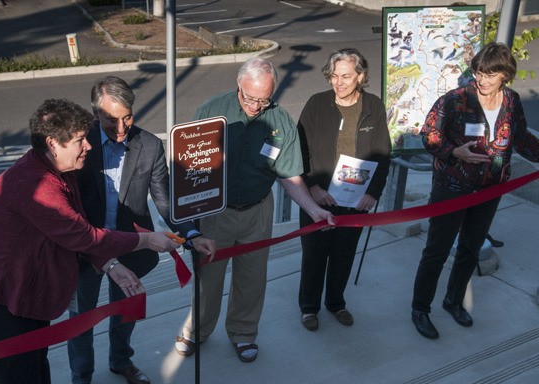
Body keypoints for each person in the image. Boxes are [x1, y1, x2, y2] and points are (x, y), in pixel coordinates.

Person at [0, 99, 180, 384]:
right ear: (53, 143)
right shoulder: (35, 186)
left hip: (23, 291)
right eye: (81, 140)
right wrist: (146, 240)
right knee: (17, 376)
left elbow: (78, 228)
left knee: (36, 367)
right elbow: (84, 236)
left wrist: (110, 266)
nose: (89, 146)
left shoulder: (59, 171)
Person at [174, 57, 335, 362]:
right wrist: (190, 220)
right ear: (239, 84)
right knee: (208, 277)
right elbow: (190, 168)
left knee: (252, 277)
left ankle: (243, 332)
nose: (256, 106)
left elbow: (289, 175)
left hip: (258, 210)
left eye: (264, 99)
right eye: (250, 98)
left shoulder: (281, 122)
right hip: (215, 211)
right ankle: (198, 330)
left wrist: (314, 210)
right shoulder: (210, 112)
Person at [67, 76, 215, 384]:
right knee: (82, 319)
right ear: (95, 114)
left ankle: (121, 361)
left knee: (126, 310)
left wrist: (191, 234)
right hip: (86, 247)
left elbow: (165, 200)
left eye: (127, 118)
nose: (121, 129)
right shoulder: (80, 145)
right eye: (111, 120)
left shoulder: (149, 145)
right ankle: (81, 376)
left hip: (130, 245)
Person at [411, 42, 539, 339]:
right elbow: (428, 135)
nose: (482, 80)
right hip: (451, 188)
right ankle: (420, 308)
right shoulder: (455, 100)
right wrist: (455, 152)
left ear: (505, 75)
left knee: (470, 248)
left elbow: (521, 140)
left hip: (489, 189)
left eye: (490, 75)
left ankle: (453, 300)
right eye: (479, 72)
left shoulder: (511, 101)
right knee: (437, 251)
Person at [296, 48, 392, 331]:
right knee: (314, 255)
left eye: (346, 76)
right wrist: (311, 186)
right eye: (334, 76)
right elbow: (299, 149)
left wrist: (373, 193)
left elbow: (382, 153)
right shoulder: (316, 104)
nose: (339, 82)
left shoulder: (373, 106)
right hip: (319, 195)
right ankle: (309, 308)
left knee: (344, 254)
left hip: (355, 199)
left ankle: (336, 302)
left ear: (360, 76)